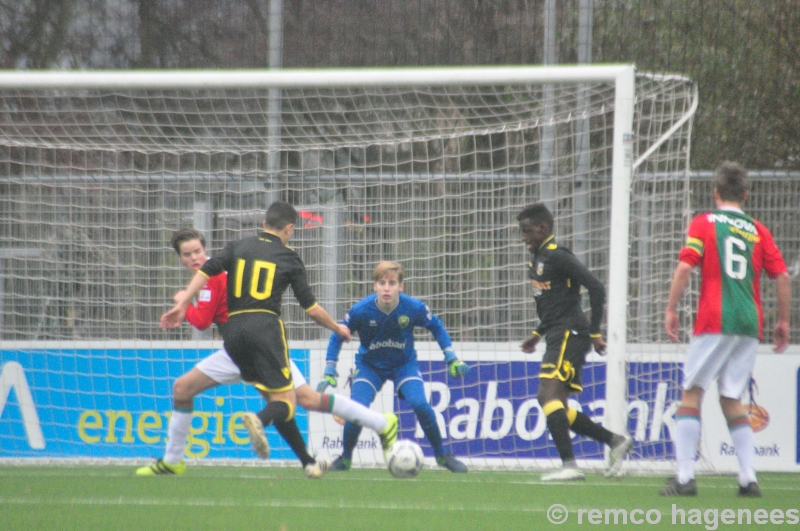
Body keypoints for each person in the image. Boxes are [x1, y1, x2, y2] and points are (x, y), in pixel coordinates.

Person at [158, 203, 395, 479]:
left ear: (263, 223)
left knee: (297, 398)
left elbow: (206, 279)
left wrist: (183, 301)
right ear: (289, 229)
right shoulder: (288, 257)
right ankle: (257, 421)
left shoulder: (237, 247)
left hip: (235, 339)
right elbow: (311, 308)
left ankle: (311, 460)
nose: (194, 258)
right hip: (264, 337)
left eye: (197, 251)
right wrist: (336, 327)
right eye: (188, 254)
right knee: (287, 401)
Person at [660, 162, 791, 497]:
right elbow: (783, 276)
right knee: (732, 397)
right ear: (745, 195)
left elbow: (686, 266)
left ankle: (685, 477)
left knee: (692, 392)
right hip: (750, 322)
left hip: (714, 318)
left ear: (715, 193)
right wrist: (783, 320)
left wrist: (672, 308)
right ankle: (748, 478)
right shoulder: (758, 229)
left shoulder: (704, 222)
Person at [518, 202, 633, 482]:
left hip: (570, 334)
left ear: (542, 229)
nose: (523, 238)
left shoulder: (558, 256)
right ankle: (614, 441)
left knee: (547, 396)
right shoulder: (539, 258)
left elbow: (595, 286)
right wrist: (538, 333)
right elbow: (558, 303)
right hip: (559, 333)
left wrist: (595, 332)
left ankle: (569, 465)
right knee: (555, 402)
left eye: (526, 232)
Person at [320, 261, 470, 473]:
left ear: (401, 286)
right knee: (355, 409)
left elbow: (436, 325)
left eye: (392, 283)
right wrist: (329, 367)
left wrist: (452, 358)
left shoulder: (413, 307)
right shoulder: (361, 310)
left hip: (403, 365)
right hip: (370, 366)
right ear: (375, 286)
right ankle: (345, 458)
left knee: (420, 404)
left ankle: (442, 456)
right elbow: (338, 335)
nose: (386, 288)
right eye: (382, 283)